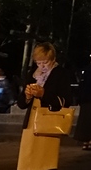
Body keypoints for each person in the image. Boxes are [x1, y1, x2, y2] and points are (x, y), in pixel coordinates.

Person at [16, 42, 74, 170]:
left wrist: (43, 94)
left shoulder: (61, 74)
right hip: (31, 122)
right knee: (27, 158)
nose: (41, 66)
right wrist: (27, 96)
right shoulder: (32, 74)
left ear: (53, 59)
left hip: (49, 121)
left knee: (45, 160)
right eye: (38, 62)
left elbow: (66, 101)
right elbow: (21, 104)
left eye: (45, 62)